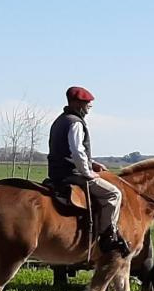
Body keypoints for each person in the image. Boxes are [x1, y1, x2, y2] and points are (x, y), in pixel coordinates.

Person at [47, 86, 130, 256]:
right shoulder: (75, 123)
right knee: (114, 194)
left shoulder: (60, 120)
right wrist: (88, 172)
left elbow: (67, 151)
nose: (89, 109)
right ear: (78, 104)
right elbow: (77, 151)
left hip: (56, 173)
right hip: (72, 174)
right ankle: (108, 237)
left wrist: (92, 163)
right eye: (87, 105)